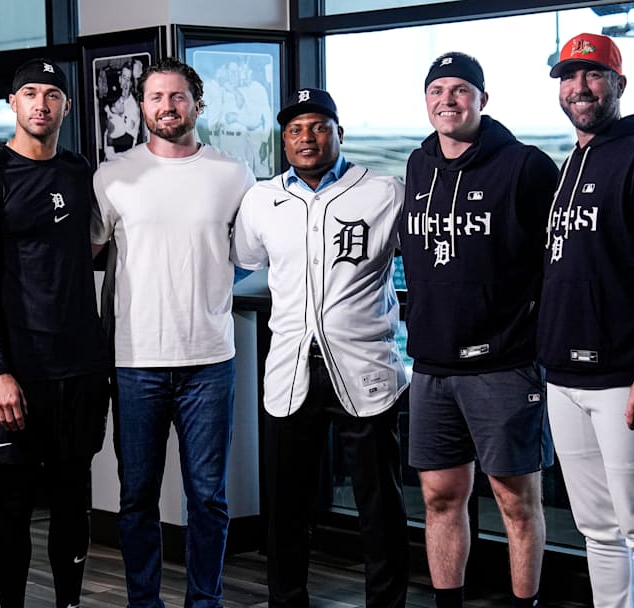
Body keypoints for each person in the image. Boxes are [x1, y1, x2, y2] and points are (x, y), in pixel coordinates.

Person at [232, 88, 410, 608]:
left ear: (338, 132)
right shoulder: (262, 199)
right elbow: (250, 261)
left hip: (365, 366)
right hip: (290, 368)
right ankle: (287, 600)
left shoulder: (383, 191)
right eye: (295, 130)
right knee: (287, 502)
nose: (307, 138)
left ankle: (387, 602)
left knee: (379, 503)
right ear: (284, 141)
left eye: (318, 126)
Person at [91, 57, 256, 608]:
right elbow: (83, 254)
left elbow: (252, 252)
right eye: (156, 97)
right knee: (136, 497)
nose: (167, 106)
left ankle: (203, 602)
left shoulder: (232, 175)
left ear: (197, 104)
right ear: (142, 106)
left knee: (207, 499)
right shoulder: (114, 176)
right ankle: (145, 602)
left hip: (209, 360)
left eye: (178, 97)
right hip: (134, 360)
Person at [397, 52, 559, 608]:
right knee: (440, 497)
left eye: (461, 89)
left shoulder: (526, 166)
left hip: (505, 364)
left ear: (482, 100)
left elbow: (558, 259)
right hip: (432, 366)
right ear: (426, 101)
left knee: (515, 501)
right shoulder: (417, 167)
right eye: (437, 89)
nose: (448, 100)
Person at [0, 58, 111, 608]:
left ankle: (68, 604)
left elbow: (87, 251)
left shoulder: (79, 172)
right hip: (17, 373)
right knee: (15, 503)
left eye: (51, 94)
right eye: (29, 93)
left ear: (67, 105)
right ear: (11, 104)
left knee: (73, 501)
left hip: (81, 370)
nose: (41, 103)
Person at [541, 33, 634, 608]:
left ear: (618, 84)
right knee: (598, 531)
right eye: (569, 77)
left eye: (594, 75)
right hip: (567, 376)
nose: (580, 88)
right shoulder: (574, 160)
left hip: (629, 378)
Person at [103, 63, 140, 160]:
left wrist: (109, 138)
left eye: (128, 79)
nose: (125, 83)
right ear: (119, 79)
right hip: (108, 158)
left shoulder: (133, 108)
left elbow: (126, 141)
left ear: (131, 83)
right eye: (124, 77)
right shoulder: (114, 97)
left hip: (123, 160)